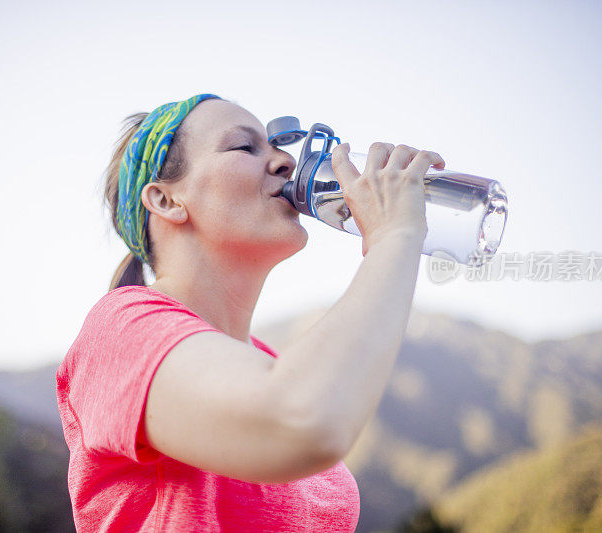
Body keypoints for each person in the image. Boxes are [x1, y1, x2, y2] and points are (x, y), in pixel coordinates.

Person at [56, 93, 445, 532]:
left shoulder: (274, 367)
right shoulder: (121, 329)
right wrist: (395, 236)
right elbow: (302, 421)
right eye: (245, 147)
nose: (284, 162)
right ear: (166, 201)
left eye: (277, 146)